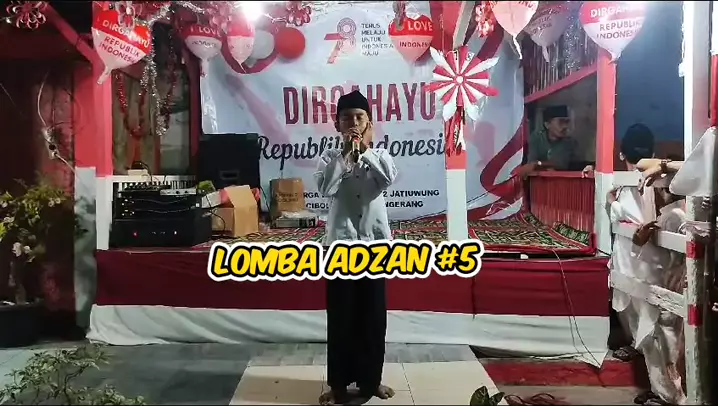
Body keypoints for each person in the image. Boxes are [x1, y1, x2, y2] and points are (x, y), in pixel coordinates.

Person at [314, 90, 398, 405]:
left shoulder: (381, 155)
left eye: (359, 117)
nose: (353, 123)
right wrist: (346, 157)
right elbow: (326, 187)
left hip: (374, 246)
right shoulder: (328, 158)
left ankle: (370, 381)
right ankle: (338, 385)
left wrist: (364, 150)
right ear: (337, 125)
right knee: (341, 316)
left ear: (369, 124)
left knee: (373, 316)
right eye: (347, 118)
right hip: (340, 246)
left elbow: (387, 178)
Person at [632, 186, 687, 406]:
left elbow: (667, 259)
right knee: (660, 343)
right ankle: (663, 393)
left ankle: (672, 396)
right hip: (664, 287)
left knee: (667, 344)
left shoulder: (674, 216)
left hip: (669, 287)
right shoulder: (667, 215)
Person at [606, 123, 657, 363]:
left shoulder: (629, 182)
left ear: (621, 154)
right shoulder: (653, 179)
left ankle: (640, 346)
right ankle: (639, 345)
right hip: (640, 253)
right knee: (636, 298)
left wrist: (611, 203)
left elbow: (628, 216)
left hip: (635, 251)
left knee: (636, 299)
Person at [513, 105, 591, 177]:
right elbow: (530, 165)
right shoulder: (536, 138)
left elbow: (560, 164)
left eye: (566, 122)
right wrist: (541, 166)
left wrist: (538, 164)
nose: (565, 126)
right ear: (547, 125)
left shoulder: (569, 142)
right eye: (561, 122)